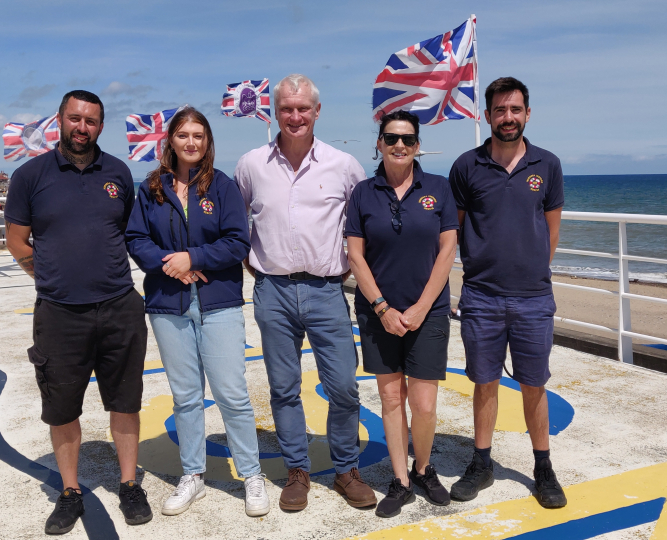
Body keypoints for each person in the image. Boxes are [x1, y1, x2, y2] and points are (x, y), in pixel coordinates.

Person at [5, 90, 152, 534]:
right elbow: (16, 242)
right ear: (60, 121)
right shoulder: (30, 176)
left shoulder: (119, 173)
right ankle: (70, 492)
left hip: (119, 307)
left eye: (90, 121)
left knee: (125, 401)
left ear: (100, 127)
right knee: (62, 407)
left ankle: (129, 484)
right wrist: (48, 278)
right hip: (59, 314)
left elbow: (131, 232)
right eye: (74, 119)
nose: (81, 128)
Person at [233, 74, 376, 511]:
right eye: (286, 109)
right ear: (276, 112)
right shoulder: (251, 164)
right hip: (272, 292)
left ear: (317, 112)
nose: (295, 116)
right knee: (283, 388)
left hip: (327, 291)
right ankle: (297, 470)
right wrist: (258, 266)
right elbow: (237, 226)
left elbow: (364, 226)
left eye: (303, 108)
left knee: (344, 387)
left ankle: (346, 469)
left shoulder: (344, 165)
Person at [125, 107, 269, 517]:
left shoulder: (221, 186)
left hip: (218, 303)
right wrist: (169, 264)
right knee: (186, 397)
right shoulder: (151, 187)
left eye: (199, 136)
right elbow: (136, 237)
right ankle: (193, 476)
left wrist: (193, 258)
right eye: (184, 134)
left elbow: (238, 241)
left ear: (207, 142)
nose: (191, 142)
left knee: (232, 394)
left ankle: (251, 474)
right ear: (171, 140)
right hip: (168, 305)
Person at [448, 77, 567, 509]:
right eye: (500, 110)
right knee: (484, 383)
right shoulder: (466, 166)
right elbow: (454, 229)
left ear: (527, 114)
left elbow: (551, 229)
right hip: (481, 295)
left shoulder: (547, 165)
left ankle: (543, 467)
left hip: (534, 297)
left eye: (515, 109)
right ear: (488, 115)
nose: (508, 117)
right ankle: (482, 463)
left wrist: (533, 269)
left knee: (535, 385)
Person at [346, 110, 458, 518]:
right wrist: (383, 308)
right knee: (391, 398)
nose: (400, 145)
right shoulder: (362, 193)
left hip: (428, 312)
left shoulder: (439, 188)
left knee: (424, 404)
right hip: (378, 313)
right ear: (379, 143)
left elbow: (448, 250)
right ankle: (401, 480)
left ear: (417, 145)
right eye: (391, 138)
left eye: (408, 140)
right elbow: (355, 256)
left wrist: (421, 307)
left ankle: (424, 468)